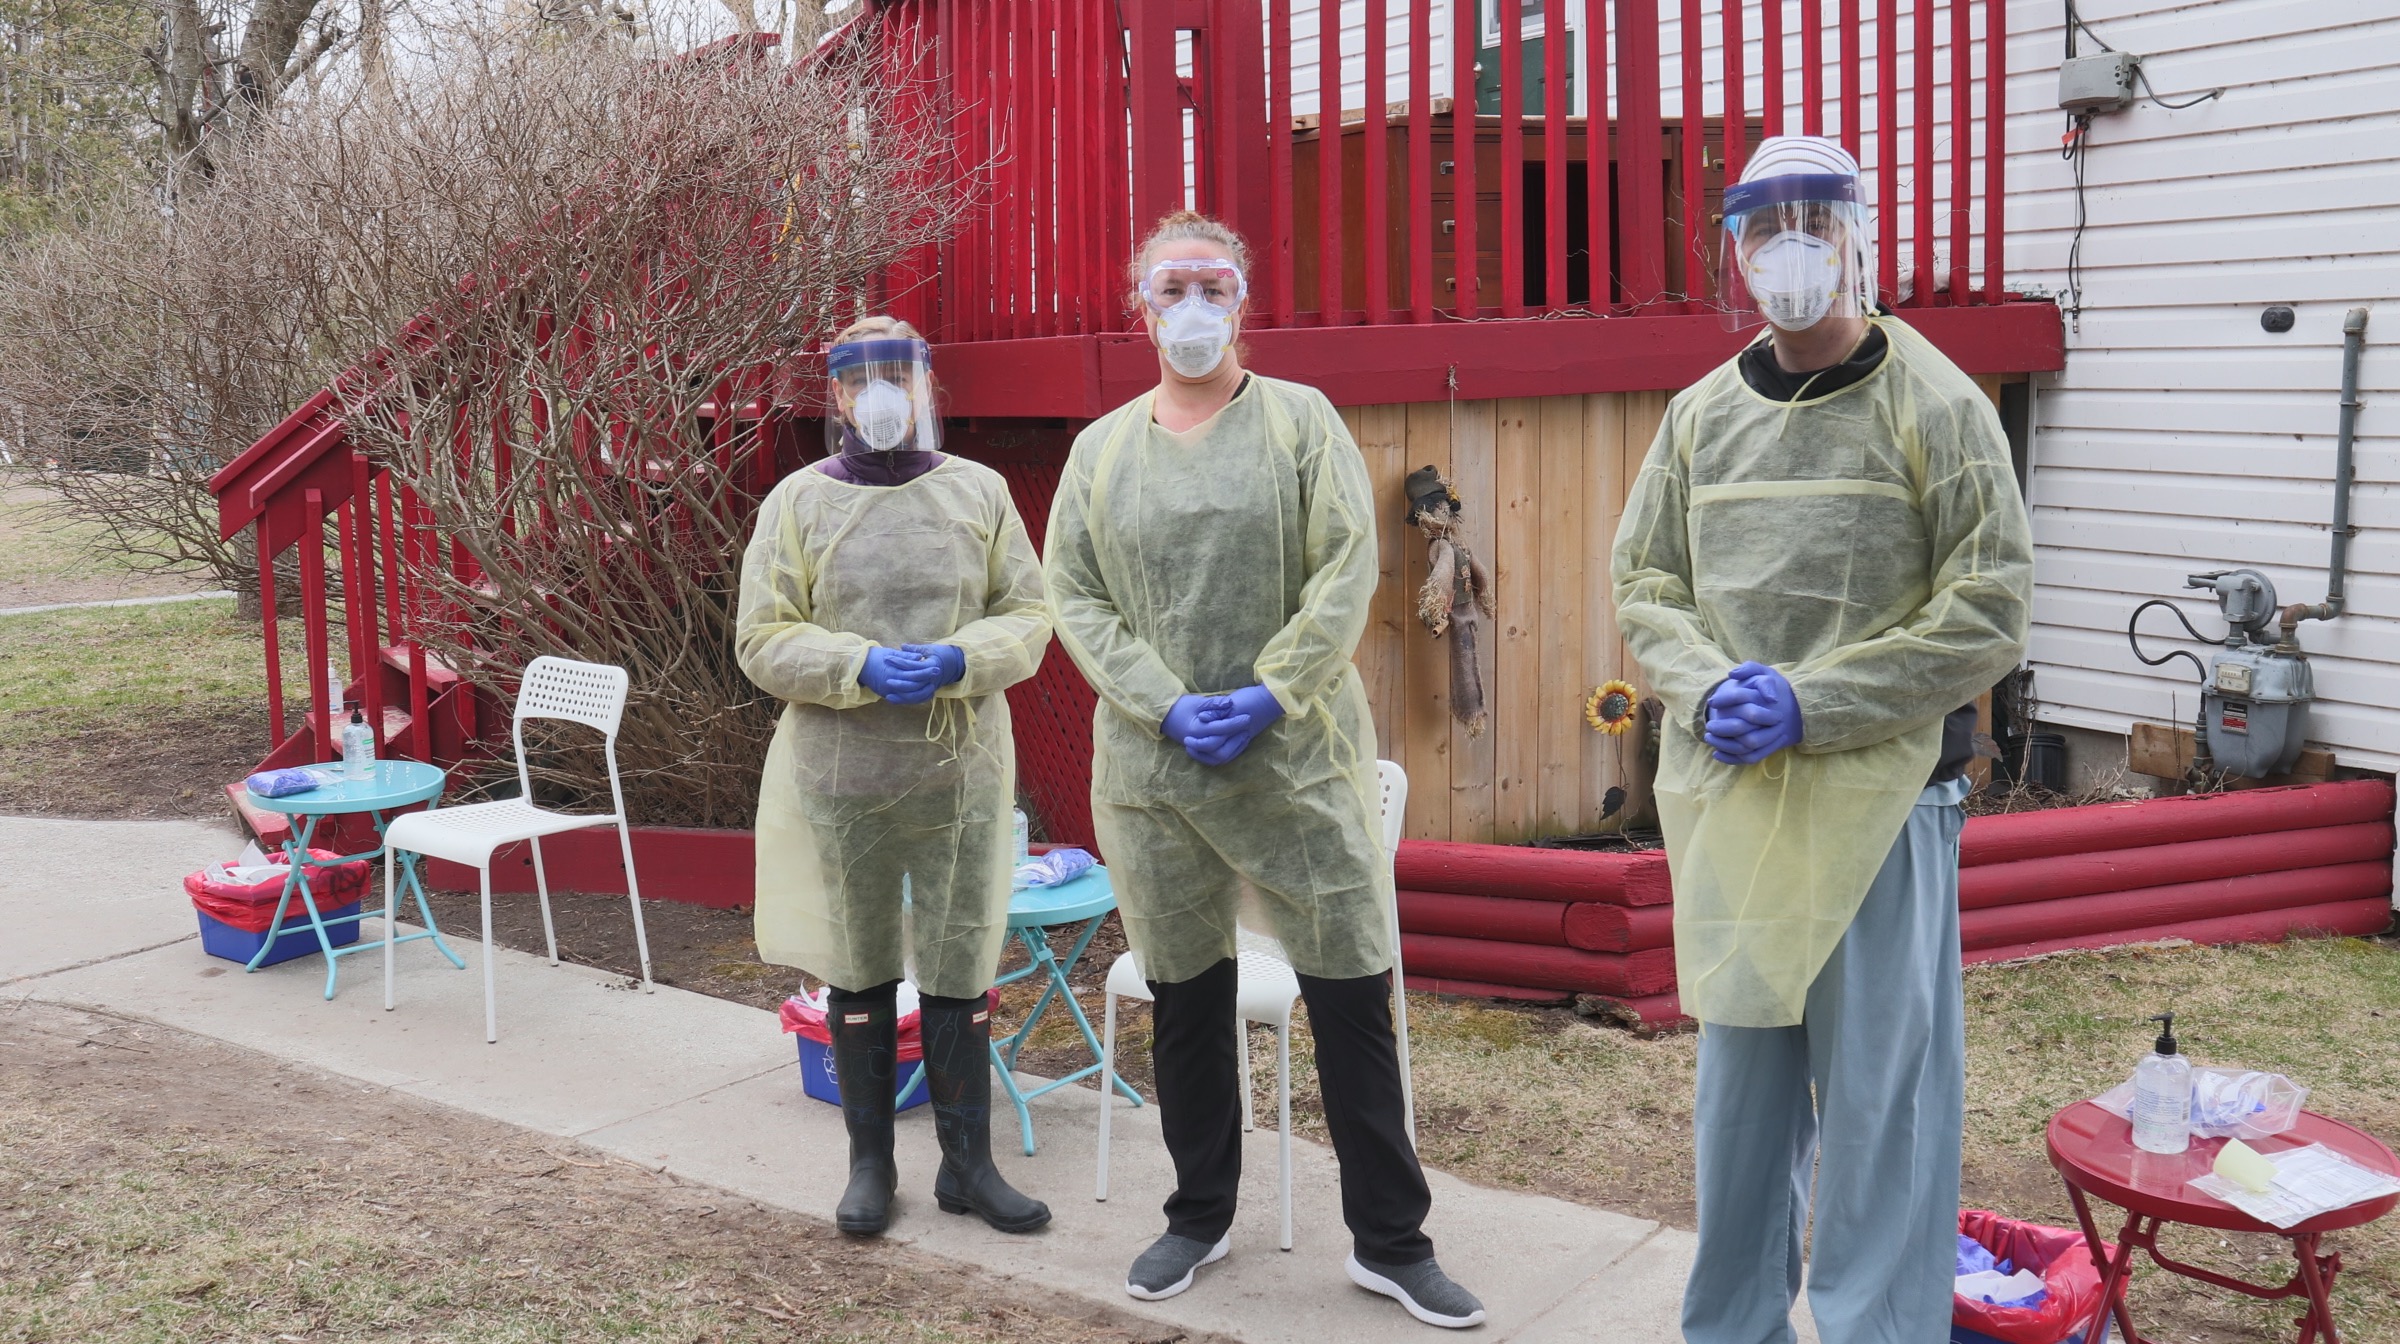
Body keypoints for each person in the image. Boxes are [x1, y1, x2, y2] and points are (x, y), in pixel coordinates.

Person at [1611, 136, 2034, 1344]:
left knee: (1879, 1108)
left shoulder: (1937, 405)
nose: (1788, 246)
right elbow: (1647, 581)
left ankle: (1877, 1330)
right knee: (1740, 1111)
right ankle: (1730, 1325)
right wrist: (1703, 687)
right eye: (1762, 223)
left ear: (1858, 236)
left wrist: (1820, 703)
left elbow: (1989, 608)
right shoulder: (1699, 417)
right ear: (1730, 248)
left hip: (1884, 803)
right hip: (1738, 802)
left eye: (1814, 217)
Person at [1043, 211, 1485, 1330]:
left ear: (1245, 300)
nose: (1192, 306)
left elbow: (1344, 568)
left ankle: (1392, 1241)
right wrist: (1164, 702)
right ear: (1136, 305)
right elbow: (1078, 597)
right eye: (1169, 287)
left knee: (1348, 996)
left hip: (1293, 765)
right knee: (1187, 999)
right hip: (1157, 776)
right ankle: (1198, 1214)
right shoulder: (1100, 452)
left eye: (1213, 284)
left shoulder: (1301, 423)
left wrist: (1274, 690)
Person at [735, 316, 1054, 1238]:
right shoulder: (797, 503)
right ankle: (870, 1165)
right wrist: (856, 667)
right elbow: (762, 636)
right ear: (835, 395)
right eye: (859, 377)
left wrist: (960, 658)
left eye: (897, 375)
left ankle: (969, 1166)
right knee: (861, 965)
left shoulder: (979, 492)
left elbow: (1029, 615)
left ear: (926, 389)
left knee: (960, 963)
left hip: (962, 770)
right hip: (845, 768)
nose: (879, 392)